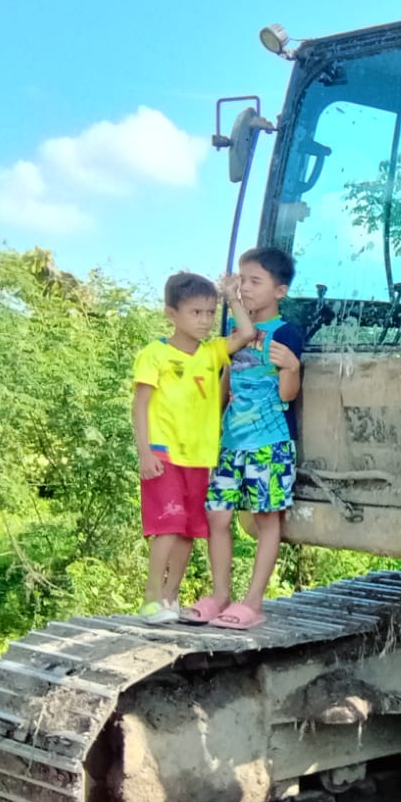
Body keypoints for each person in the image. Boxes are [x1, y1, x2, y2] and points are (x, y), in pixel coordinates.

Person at [182, 247, 305, 630]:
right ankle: (220, 595)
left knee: (267, 518)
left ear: (279, 291)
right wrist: (211, 422)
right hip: (230, 442)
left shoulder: (285, 333)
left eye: (255, 281)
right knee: (217, 515)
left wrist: (293, 367)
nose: (246, 288)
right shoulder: (235, 331)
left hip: (270, 442)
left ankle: (253, 603)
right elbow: (226, 379)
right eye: (242, 280)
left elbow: (287, 395)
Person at [131, 271, 256, 624]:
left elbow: (247, 333)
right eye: (195, 312)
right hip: (164, 453)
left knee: (188, 529)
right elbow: (140, 405)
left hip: (200, 458)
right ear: (172, 313)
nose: (204, 320)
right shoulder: (155, 354)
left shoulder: (212, 352)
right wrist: (145, 452)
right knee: (168, 525)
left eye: (209, 312)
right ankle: (151, 598)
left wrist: (232, 296)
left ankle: (170, 597)